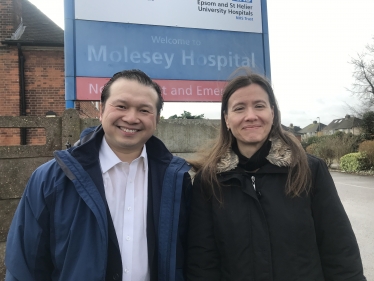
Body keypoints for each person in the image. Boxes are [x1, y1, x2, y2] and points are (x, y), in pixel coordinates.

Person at [5, 69, 192, 281]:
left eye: (144, 110)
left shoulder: (176, 180)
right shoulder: (51, 179)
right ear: (101, 111)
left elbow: (190, 256)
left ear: (157, 119)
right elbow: (24, 266)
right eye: (121, 106)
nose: (131, 118)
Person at [186, 70, 366, 280]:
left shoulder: (308, 170)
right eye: (239, 108)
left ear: (272, 113)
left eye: (259, 106)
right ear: (226, 119)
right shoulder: (209, 180)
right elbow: (202, 262)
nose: (251, 115)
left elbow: (339, 250)